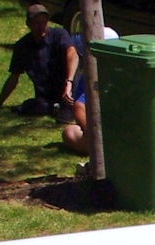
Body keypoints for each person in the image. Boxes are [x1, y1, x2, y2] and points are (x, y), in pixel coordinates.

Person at [0, 4, 77, 119]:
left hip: (68, 89)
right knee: (34, 106)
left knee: (68, 115)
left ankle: (61, 108)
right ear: (28, 24)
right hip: (46, 96)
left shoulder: (59, 35)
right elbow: (14, 77)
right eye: (37, 23)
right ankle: (53, 108)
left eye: (44, 22)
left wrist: (69, 82)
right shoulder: (22, 46)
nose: (41, 26)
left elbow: (72, 54)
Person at [61, 26, 116, 156]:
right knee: (70, 132)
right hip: (99, 126)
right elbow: (79, 106)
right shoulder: (89, 73)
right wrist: (94, 133)